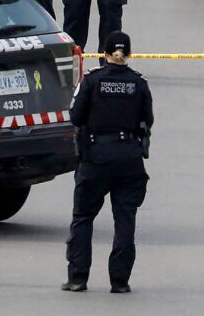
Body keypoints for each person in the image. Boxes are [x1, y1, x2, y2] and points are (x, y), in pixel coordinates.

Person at [63, 31, 153, 294]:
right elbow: (148, 118)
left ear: (103, 54)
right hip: (129, 158)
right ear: (130, 54)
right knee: (125, 219)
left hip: (96, 158)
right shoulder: (139, 84)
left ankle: (78, 277)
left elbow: (76, 116)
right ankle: (120, 280)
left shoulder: (92, 80)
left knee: (83, 217)